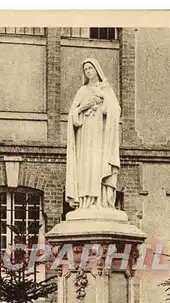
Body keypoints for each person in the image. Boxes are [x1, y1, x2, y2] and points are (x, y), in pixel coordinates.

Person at [66, 58, 121, 210]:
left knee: (99, 164)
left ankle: (102, 201)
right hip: (85, 136)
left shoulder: (106, 89)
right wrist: (83, 107)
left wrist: (104, 102)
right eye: (86, 69)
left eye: (91, 68)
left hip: (101, 136)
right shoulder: (82, 91)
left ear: (97, 69)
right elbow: (72, 115)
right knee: (86, 166)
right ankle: (86, 202)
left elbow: (115, 111)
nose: (88, 71)